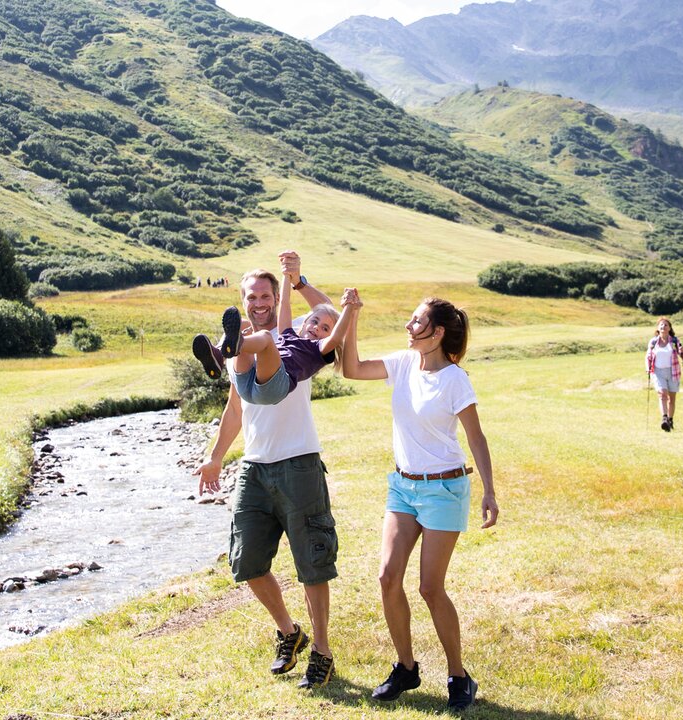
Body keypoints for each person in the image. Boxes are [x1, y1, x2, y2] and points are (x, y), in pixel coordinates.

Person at [335, 290, 499, 711]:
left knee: (430, 587)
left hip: (444, 488)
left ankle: (459, 677)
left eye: (416, 321)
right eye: (410, 320)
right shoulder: (404, 362)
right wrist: (350, 314)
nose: (409, 326)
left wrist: (490, 491)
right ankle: (406, 668)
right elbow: (350, 368)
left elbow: (476, 438)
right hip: (403, 487)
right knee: (388, 578)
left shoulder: (455, 380)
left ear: (437, 332)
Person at [195, 253, 342, 690]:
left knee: (313, 564)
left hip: (298, 463)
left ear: (275, 298)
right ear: (242, 300)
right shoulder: (240, 347)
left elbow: (331, 317)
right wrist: (216, 455)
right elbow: (235, 408)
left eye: (265, 295)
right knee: (247, 562)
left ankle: (322, 651)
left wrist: (296, 279)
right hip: (255, 468)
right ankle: (289, 631)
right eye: (251, 296)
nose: (258, 302)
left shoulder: (296, 336)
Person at [190, 275, 351, 407]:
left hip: (275, 388)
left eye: (325, 329)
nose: (317, 328)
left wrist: (349, 307)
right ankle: (219, 355)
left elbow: (337, 336)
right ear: (305, 322)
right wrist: (287, 275)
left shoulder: (319, 349)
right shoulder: (288, 333)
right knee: (247, 333)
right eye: (315, 322)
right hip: (247, 387)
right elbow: (285, 303)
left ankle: (237, 344)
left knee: (266, 338)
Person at [646, 318, 683, 432]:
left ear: (669, 328)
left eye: (666, 325)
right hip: (658, 372)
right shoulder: (653, 342)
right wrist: (647, 368)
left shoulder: (674, 341)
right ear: (658, 328)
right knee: (662, 394)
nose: (663, 327)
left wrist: (682, 351)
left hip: (673, 371)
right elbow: (648, 356)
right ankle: (664, 419)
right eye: (661, 325)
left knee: (671, 399)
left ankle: (670, 420)